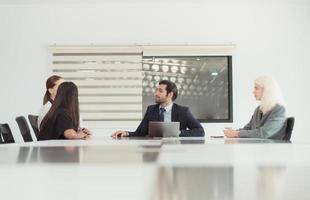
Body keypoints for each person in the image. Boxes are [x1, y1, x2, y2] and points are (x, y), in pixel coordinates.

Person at [111, 80, 205, 138]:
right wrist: (126, 133)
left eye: (160, 91)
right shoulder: (151, 110)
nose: (156, 93)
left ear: (170, 94)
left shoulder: (183, 111)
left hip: (177, 151)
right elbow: (140, 132)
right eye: (156, 90)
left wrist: (178, 132)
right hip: (155, 150)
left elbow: (200, 131)